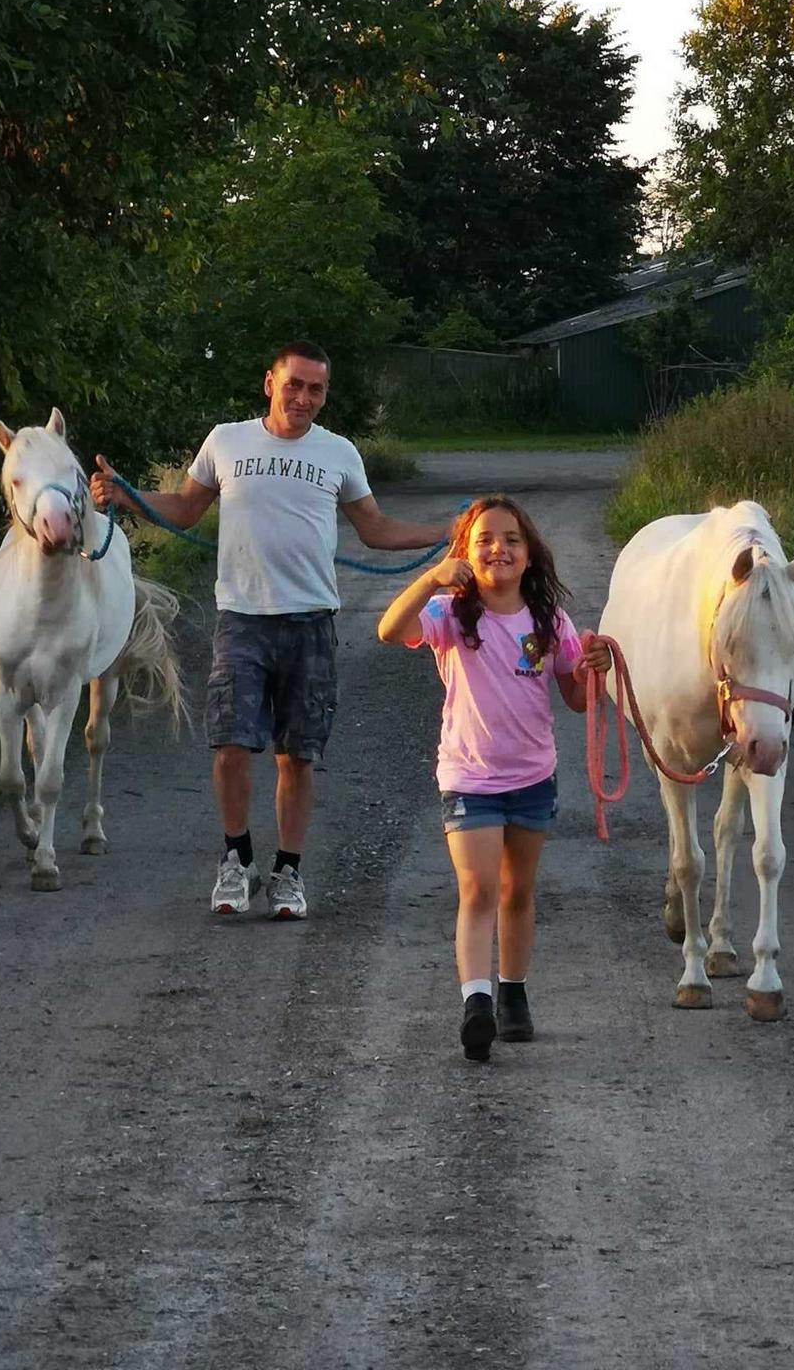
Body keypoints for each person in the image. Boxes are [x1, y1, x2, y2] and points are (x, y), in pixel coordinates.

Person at [90, 341, 448, 921]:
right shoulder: (226, 440)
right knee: (230, 746)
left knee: (296, 757)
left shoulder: (339, 453)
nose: (304, 397)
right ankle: (236, 860)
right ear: (269, 383)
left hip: (310, 621)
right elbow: (183, 510)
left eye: (316, 389)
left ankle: (287, 872)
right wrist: (126, 495)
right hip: (241, 620)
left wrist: (448, 532)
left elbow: (376, 530)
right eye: (294, 385)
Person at [377, 495, 613, 1061]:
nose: (498, 548)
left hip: (533, 777)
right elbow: (389, 630)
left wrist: (593, 668)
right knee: (478, 888)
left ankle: (513, 992)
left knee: (517, 890)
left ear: (529, 556)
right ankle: (476, 1002)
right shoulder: (449, 615)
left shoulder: (549, 621)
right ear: (465, 553)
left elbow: (577, 700)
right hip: (470, 777)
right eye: (483, 539)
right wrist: (432, 576)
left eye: (511, 539)